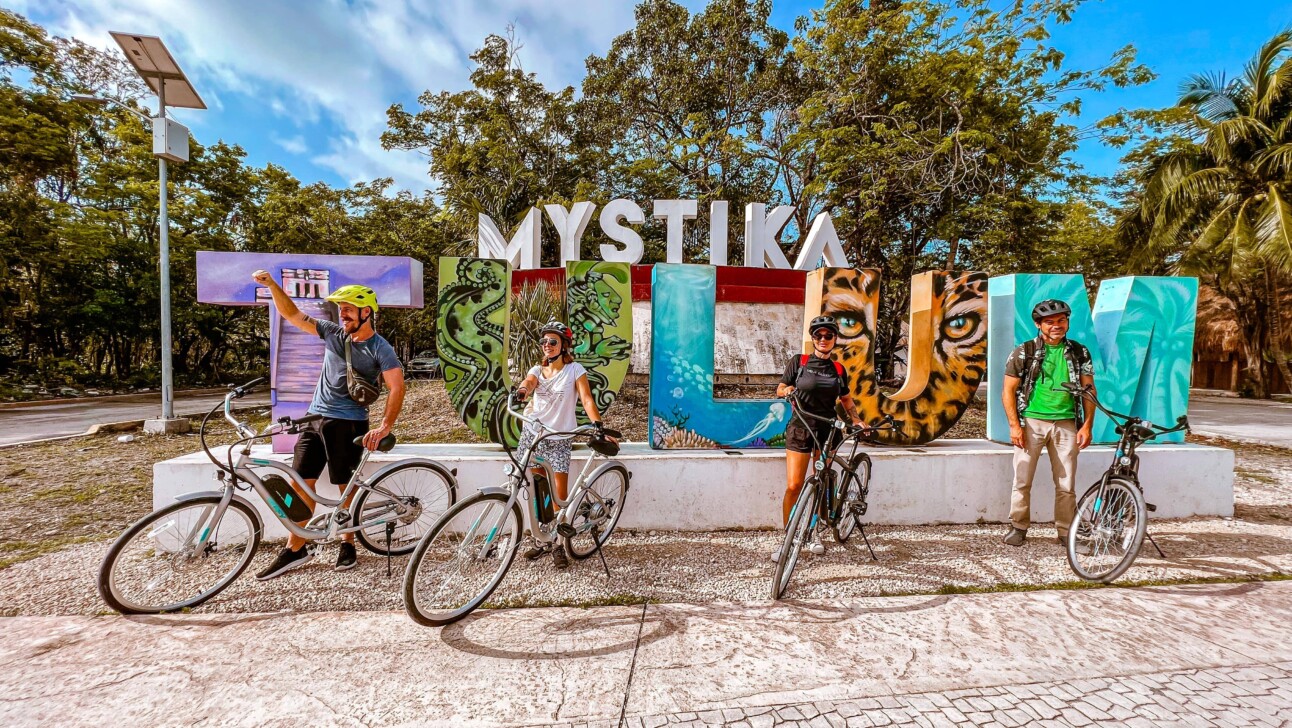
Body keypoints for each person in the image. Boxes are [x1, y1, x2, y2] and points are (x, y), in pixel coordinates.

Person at [250, 270, 406, 578]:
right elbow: (292, 314)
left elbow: (397, 387)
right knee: (300, 483)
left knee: (344, 488)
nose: (342, 314)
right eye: (340, 309)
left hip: (348, 424)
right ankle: (296, 548)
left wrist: (384, 426)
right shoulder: (334, 333)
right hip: (315, 419)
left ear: (366, 312)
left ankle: (348, 543)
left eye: (348, 309)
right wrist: (273, 286)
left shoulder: (380, 348)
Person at [513, 321, 615, 569]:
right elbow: (528, 382)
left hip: (559, 439)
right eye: (544, 341)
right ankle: (543, 541)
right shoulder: (537, 369)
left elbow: (587, 399)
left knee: (559, 497)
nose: (547, 345)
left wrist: (598, 425)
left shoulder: (574, 370)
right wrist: (522, 391)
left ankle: (558, 545)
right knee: (539, 493)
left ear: (564, 346)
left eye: (553, 342)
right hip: (533, 436)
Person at [1000, 299, 1096, 547]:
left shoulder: (1079, 352)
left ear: (1068, 322)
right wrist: (1014, 425)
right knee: (1022, 480)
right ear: (1038, 324)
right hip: (1031, 423)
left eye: (1061, 320)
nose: (1056, 325)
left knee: (1066, 483)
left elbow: (1089, 389)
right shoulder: (1024, 351)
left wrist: (1087, 425)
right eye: (1050, 322)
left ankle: (1065, 531)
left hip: (1066, 423)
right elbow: (1008, 390)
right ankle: (1018, 526)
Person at [772, 315, 864, 562]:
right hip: (801, 428)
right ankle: (788, 538)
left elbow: (846, 399)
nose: (823, 339)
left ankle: (814, 532)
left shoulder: (838, 369)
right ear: (812, 338)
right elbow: (779, 388)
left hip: (828, 430)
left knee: (821, 482)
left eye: (828, 335)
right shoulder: (799, 362)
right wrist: (787, 390)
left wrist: (856, 419)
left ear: (835, 339)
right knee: (794, 485)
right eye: (818, 335)